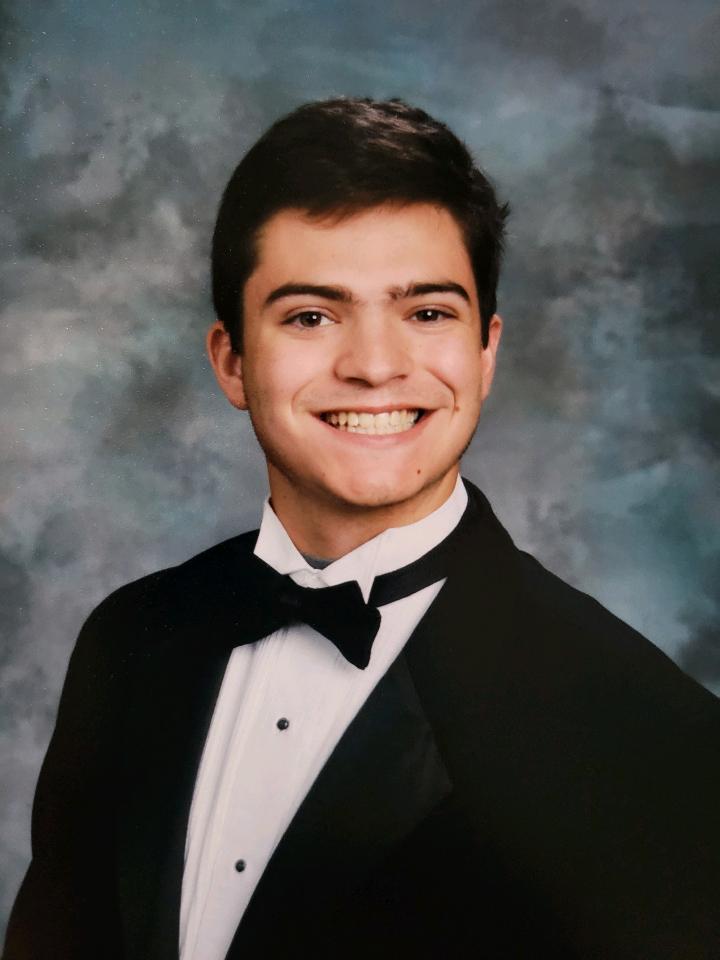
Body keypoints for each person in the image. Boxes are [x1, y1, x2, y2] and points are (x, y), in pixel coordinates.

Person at [5, 97, 719, 960]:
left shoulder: (646, 731)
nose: (375, 365)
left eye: (426, 313)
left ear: (485, 352)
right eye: (311, 315)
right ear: (232, 359)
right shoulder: (128, 639)